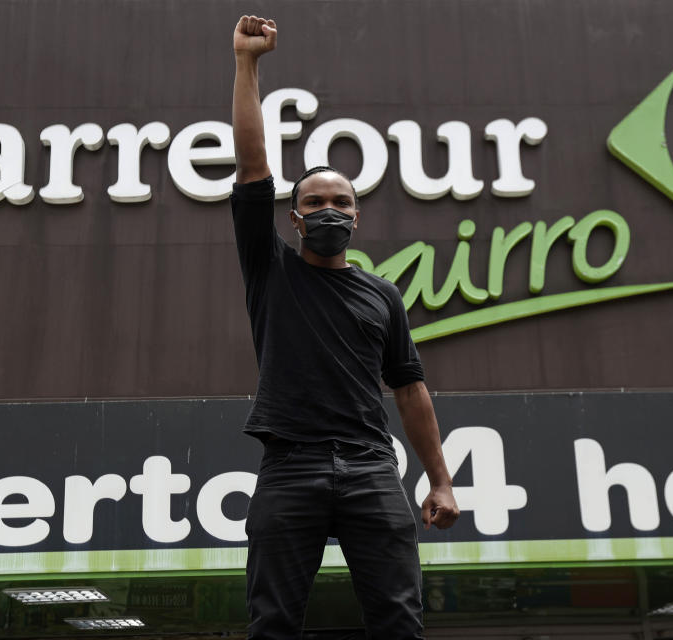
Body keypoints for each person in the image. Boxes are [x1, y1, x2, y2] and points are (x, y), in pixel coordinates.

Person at [230, 14, 461, 640]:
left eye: (340, 203)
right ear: (294, 220)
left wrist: (439, 480)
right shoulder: (271, 269)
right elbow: (253, 167)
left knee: (399, 620)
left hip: (370, 470)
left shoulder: (382, 295)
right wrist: (248, 63)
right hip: (290, 467)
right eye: (313, 203)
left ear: (356, 218)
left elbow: (409, 390)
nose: (327, 209)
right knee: (273, 621)